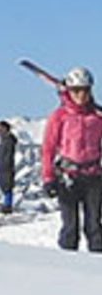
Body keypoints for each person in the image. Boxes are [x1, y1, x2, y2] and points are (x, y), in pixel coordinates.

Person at [41, 67, 102, 252]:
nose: (81, 95)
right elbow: (48, 148)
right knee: (70, 228)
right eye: (76, 90)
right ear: (69, 91)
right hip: (68, 177)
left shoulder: (97, 117)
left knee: (94, 227)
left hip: (93, 177)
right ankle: (67, 272)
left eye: (85, 89)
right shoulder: (60, 116)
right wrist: (48, 178)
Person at [0, 120, 18, 213]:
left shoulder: (8, 141)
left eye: (0, 128)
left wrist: (5, 165)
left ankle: (8, 206)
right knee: (3, 186)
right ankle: (5, 204)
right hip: (2, 167)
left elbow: (8, 155)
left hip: (6, 168)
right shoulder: (3, 140)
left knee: (7, 186)